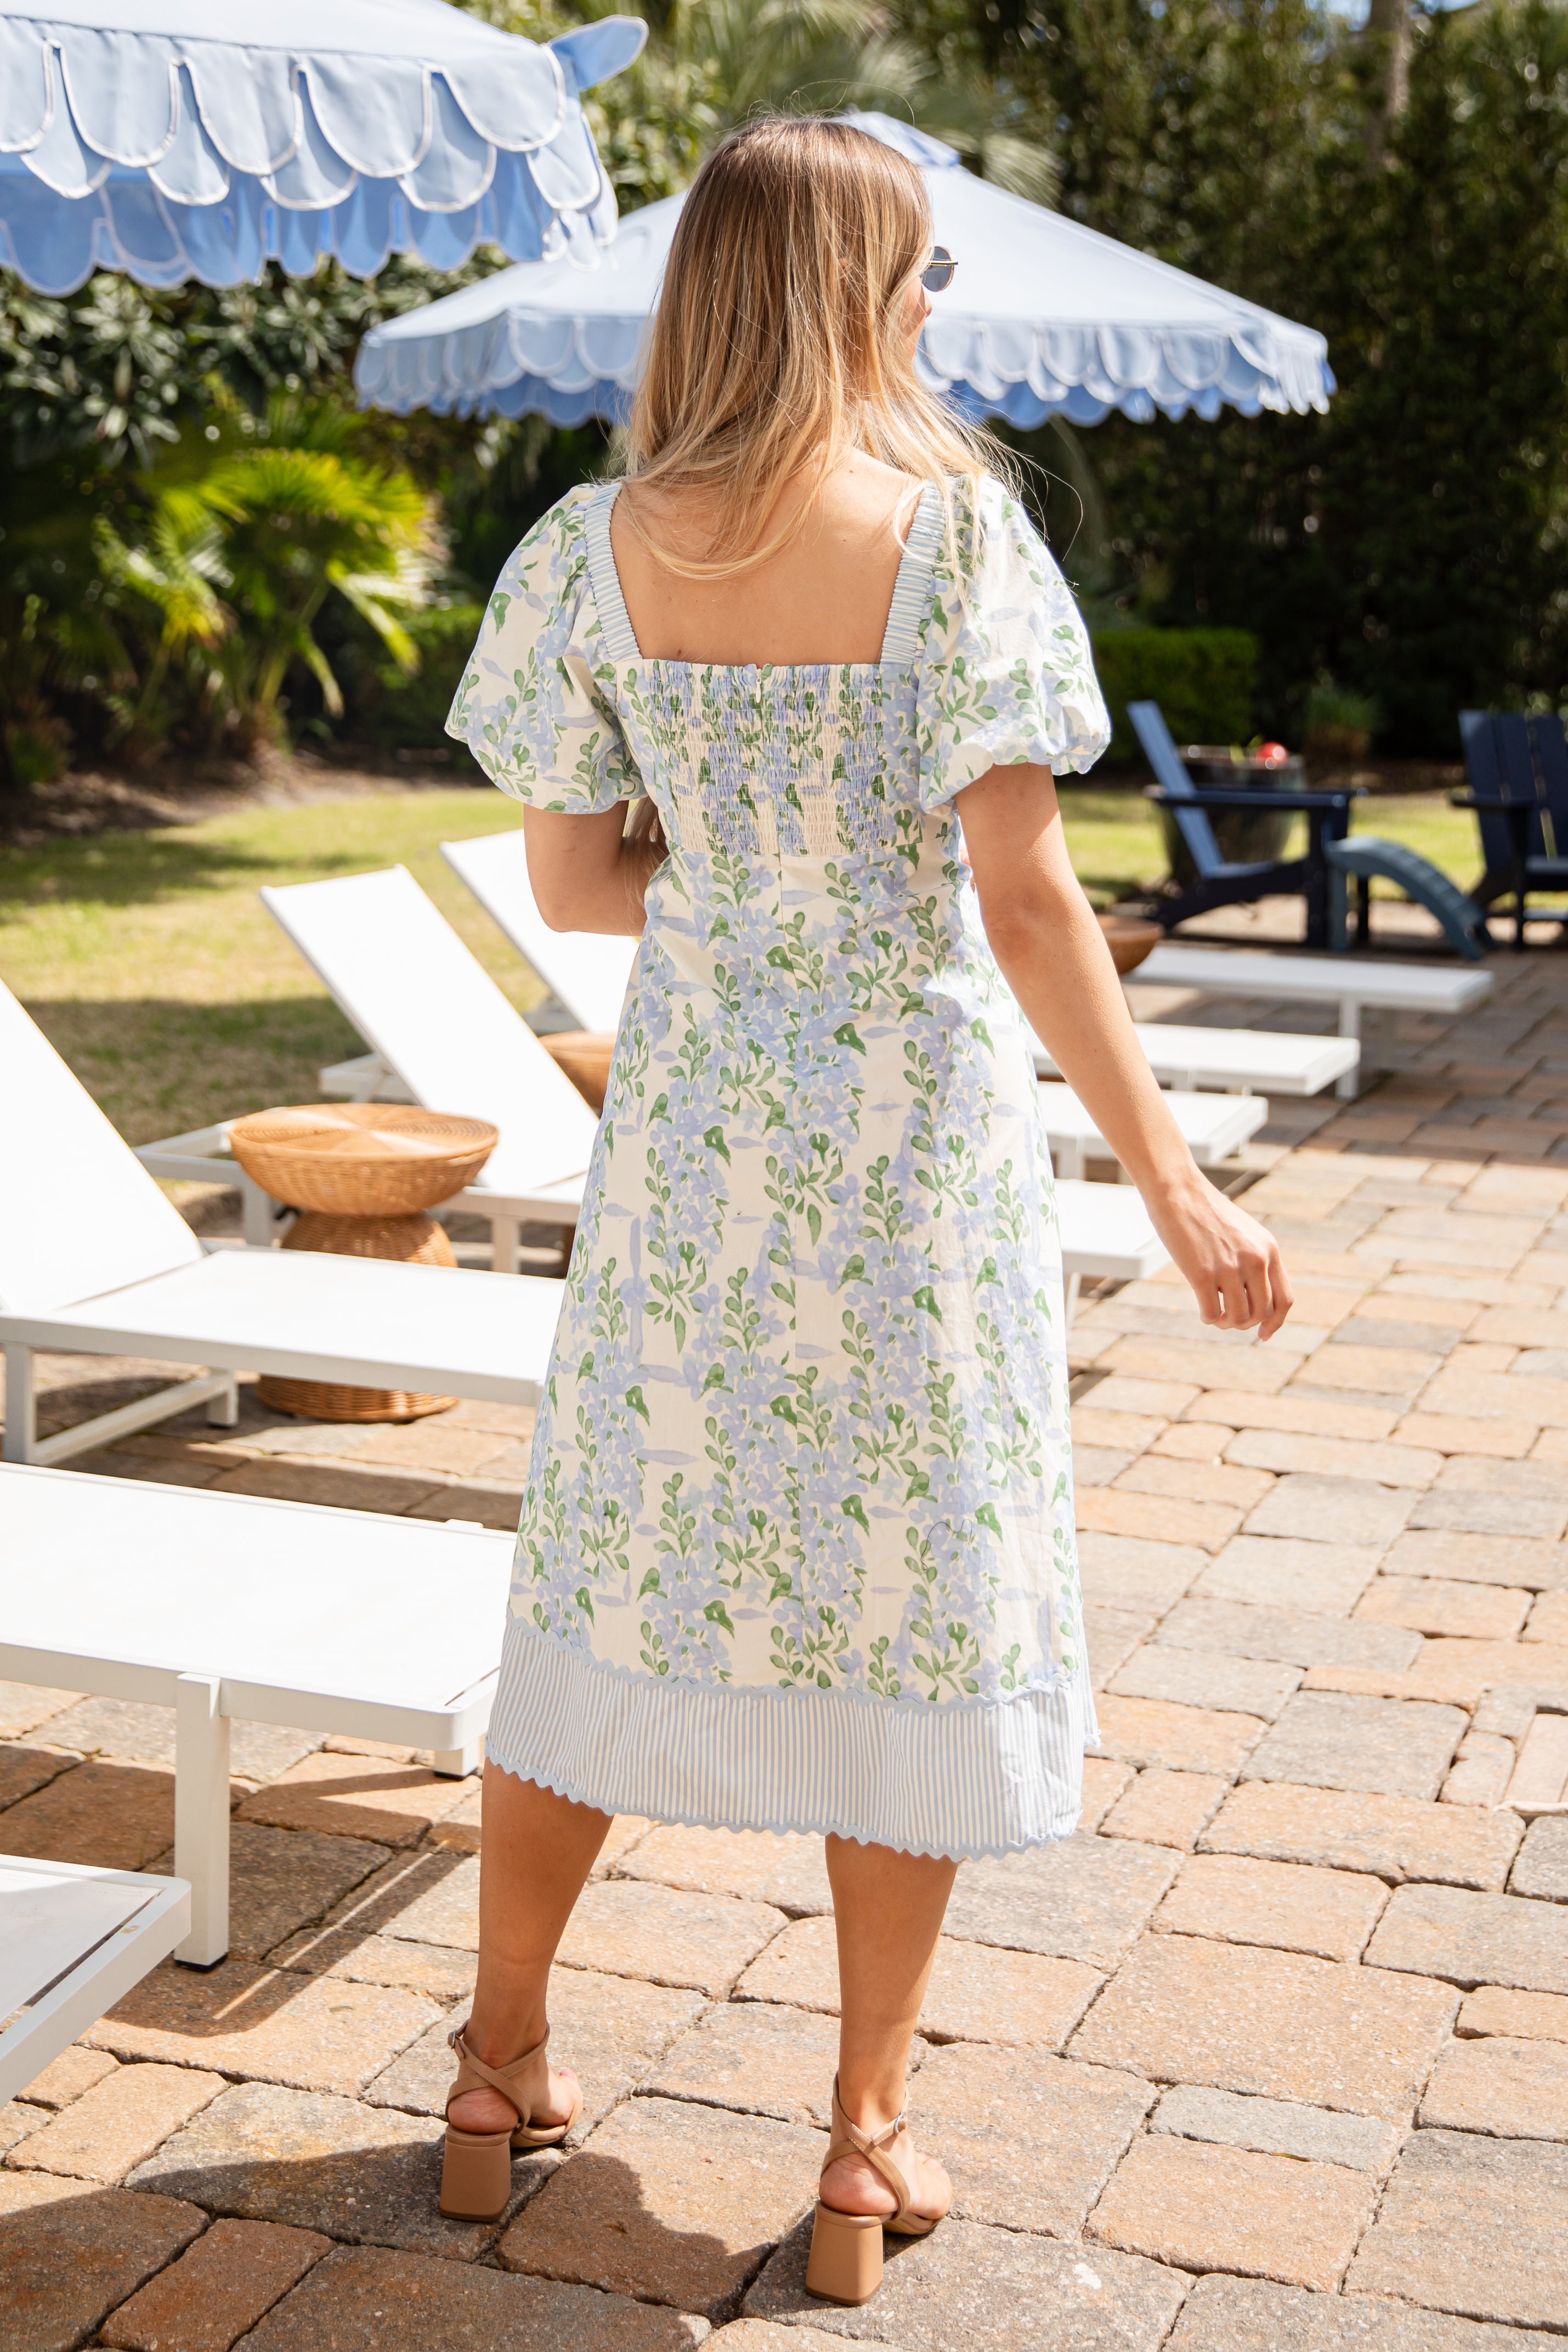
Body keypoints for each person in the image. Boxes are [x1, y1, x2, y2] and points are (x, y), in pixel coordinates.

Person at [441, 114, 1292, 2306]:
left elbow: (567, 889)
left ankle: (492, 2064)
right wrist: (1176, 1177)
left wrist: (725, 877)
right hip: (908, 1161)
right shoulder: (958, 543)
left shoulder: (587, 544)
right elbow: (1022, 899)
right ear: (847, 288)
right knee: (908, 1614)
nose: (936, 307)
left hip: (694, 1157)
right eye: (919, 271)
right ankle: (857, 2139)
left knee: (611, 1564)